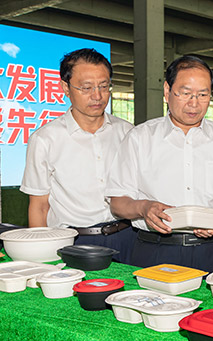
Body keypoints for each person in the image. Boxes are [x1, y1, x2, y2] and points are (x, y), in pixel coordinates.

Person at [106, 55, 213, 272]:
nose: (194, 103)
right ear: (167, 92)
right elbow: (118, 202)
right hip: (156, 250)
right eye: (185, 93)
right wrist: (144, 207)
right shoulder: (139, 138)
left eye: (203, 95)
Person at [20, 48, 135, 263]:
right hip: (73, 242)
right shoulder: (45, 139)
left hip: (127, 237)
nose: (97, 96)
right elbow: (39, 206)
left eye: (103, 86)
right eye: (86, 88)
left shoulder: (128, 133)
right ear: (65, 87)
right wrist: (40, 258)